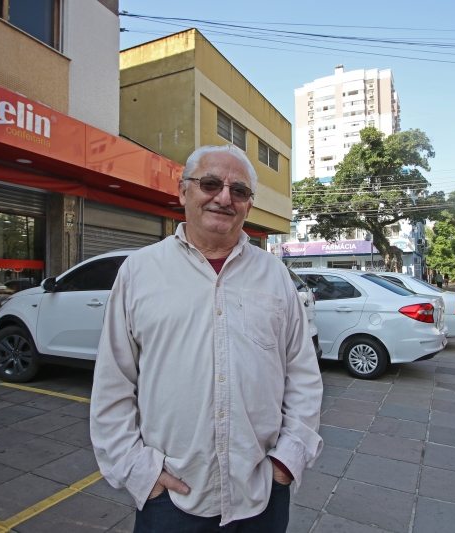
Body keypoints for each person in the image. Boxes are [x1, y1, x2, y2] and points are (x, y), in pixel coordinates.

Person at [90, 144, 323, 533]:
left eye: (239, 191)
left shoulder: (275, 275)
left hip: (261, 493)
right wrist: (136, 470)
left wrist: (288, 460)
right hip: (170, 498)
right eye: (210, 183)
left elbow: (302, 373)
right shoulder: (140, 272)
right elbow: (113, 383)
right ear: (183, 191)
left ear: (249, 204)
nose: (224, 198)